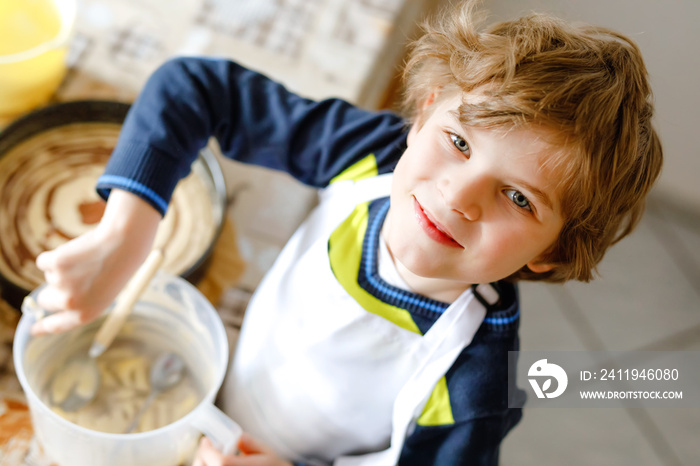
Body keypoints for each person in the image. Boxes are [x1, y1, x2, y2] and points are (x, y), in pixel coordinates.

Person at [31, 0, 663, 464]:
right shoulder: (371, 155)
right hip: (221, 378)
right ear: (423, 114)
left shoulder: (473, 377)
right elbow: (193, 88)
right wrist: (127, 234)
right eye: (460, 141)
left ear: (552, 253)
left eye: (519, 197)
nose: (458, 196)